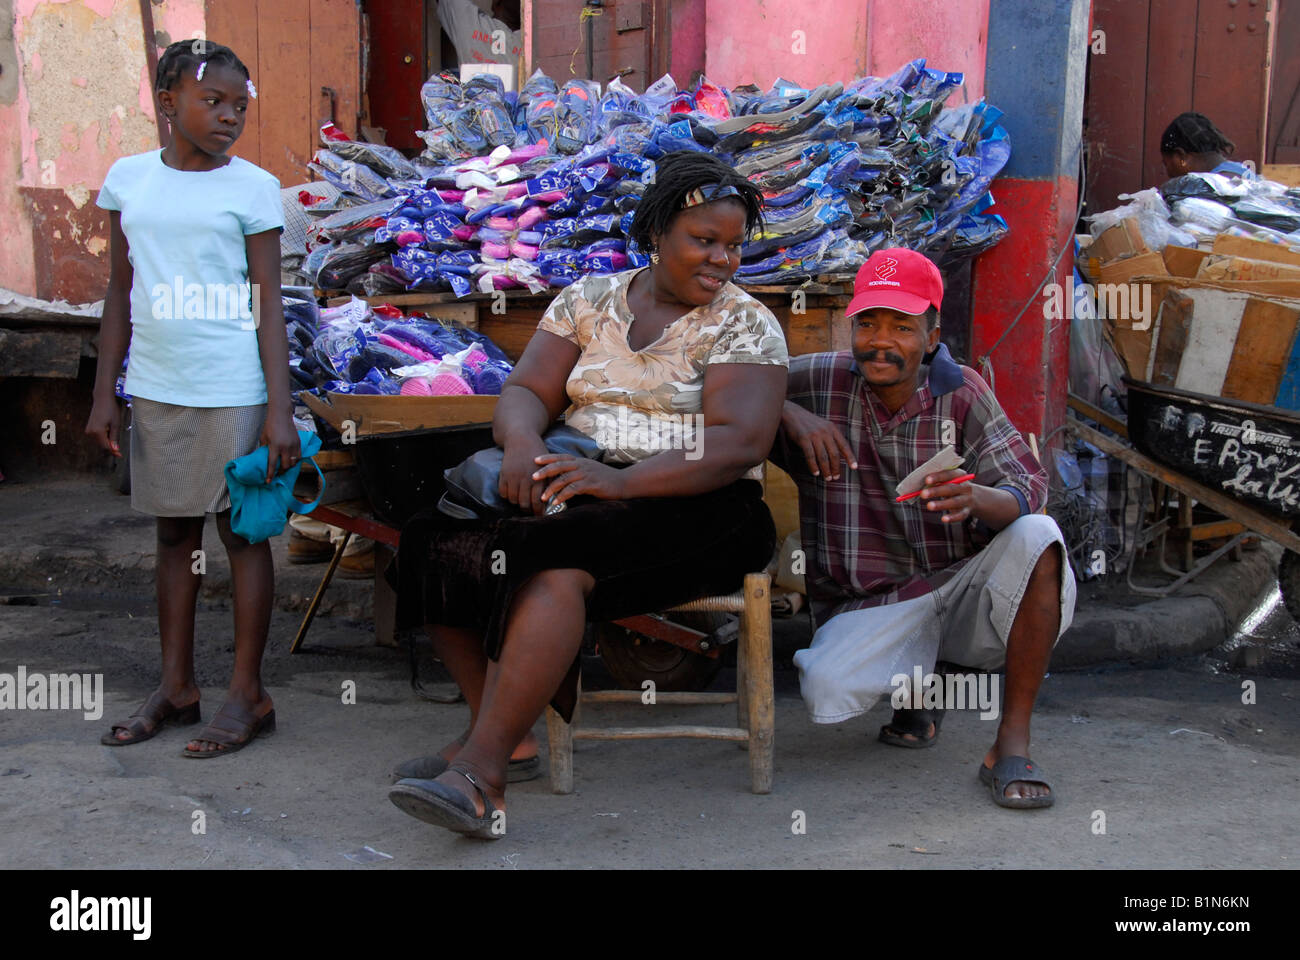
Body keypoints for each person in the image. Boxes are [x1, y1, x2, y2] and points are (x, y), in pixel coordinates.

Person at [388, 151, 788, 838]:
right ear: (657, 232)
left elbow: (738, 443)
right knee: (432, 542)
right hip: (583, 477)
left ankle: (480, 778)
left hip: (705, 503)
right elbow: (525, 391)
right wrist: (522, 446)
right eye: (704, 241)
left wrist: (626, 481)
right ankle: (504, 734)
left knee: (553, 558)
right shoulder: (586, 299)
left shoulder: (745, 322)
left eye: (732, 245)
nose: (722, 259)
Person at [773, 248, 1076, 809]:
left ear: (932, 335)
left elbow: (1028, 484)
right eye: (868, 322)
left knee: (1038, 537)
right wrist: (787, 412)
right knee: (827, 694)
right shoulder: (818, 381)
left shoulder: (962, 391)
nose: (880, 341)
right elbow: (731, 385)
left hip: (956, 584)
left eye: (902, 326)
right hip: (869, 603)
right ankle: (920, 686)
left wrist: (979, 498)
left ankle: (1009, 743)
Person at [86, 40, 296, 757]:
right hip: (157, 383)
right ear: (168, 101)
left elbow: (270, 303)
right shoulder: (128, 181)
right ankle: (177, 687)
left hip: (234, 385)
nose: (230, 116)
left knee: (241, 535)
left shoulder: (253, 188)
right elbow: (120, 289)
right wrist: (103, 392)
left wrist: (278, 408)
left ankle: (248, 694)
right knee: (174, 536)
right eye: (215, 102)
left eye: (241, 105)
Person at [1160, 112, 1256, 180]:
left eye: (1166, 164)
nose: (1168, 173)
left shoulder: (1217, 185)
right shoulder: (1241, 170)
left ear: (1181, 157)